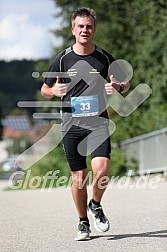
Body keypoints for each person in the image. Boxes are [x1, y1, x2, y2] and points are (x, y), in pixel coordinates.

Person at [41, 7, 129, 241]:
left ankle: (96, 204)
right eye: (80, 26)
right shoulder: (62, 59)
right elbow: (44, 89)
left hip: (98, 123)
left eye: (89, 26)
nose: (85, 30)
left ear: (94, 29)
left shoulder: (103, 57)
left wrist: (117, 87)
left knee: (102, 171)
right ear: (73, 29)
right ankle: (82, 223)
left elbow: (125, 83)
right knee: (79, 177)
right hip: (71, 125)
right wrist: (54, 90)